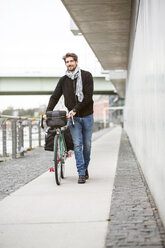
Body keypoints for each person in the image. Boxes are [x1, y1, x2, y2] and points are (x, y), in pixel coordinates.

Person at [44, 53, 94, 184]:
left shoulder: (87, 76)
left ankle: (85, 168)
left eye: (71, 61)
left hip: (87, 116)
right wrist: (47, 112)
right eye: (67, 62)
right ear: (65, 64)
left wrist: (75, 110)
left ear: (76, 62)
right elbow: (55, 96)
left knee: (87, 146)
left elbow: (88, 97)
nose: (69, 64)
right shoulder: (63, 80)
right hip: (73, 119)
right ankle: (81, 173)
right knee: (77, 145)